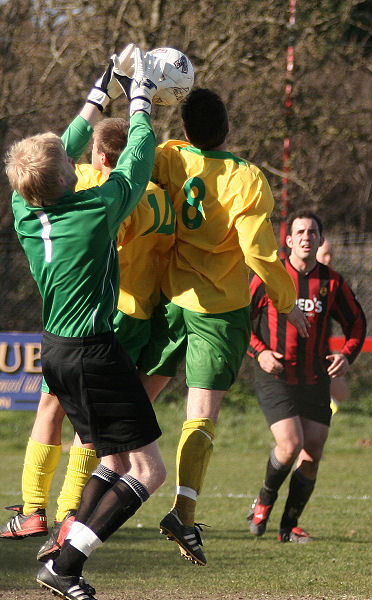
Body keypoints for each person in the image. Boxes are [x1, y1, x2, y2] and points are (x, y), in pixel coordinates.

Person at [5, 48, 173, 600]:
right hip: (93, 351)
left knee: (112, 460)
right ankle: (68, 562)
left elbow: (60, 151)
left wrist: (100, 93)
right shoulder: (95, 210)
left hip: (55, 352)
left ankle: (64, 546)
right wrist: (142, 98)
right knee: (148, 473)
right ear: (67, 174)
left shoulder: (25, 209)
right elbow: (139, 159)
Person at [136, 87, 310, 565]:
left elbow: (134, 162)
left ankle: (77, 498)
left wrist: (141, 100)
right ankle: (183, 514)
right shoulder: (246, 177)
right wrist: (285, 299)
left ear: (185, 129)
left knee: (131, 402)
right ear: (227, 127)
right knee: (201, 414)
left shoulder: (171, 157)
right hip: (219, 310)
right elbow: (257, 250)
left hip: (170, 299)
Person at [247, 210, 366, 543]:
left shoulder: (332, 282)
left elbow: (357, 322)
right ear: (288, 240)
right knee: (290, 444)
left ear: (320, 239)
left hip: (315, 379)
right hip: (277, 375)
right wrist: (261, 352)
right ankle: (264, 501)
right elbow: (240, 322)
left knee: (312, 451)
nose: (305, 237)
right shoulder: (270, 277)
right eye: (299, 232)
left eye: (312, 232)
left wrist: (347, 354)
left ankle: (288, 528)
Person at [315, 238, 351, 413]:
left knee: (342, 393)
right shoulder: (300, 280)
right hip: (301, 347)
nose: (329, 259)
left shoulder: (333, 281)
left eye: (331, 255)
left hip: (323, 345)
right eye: (325, 255)